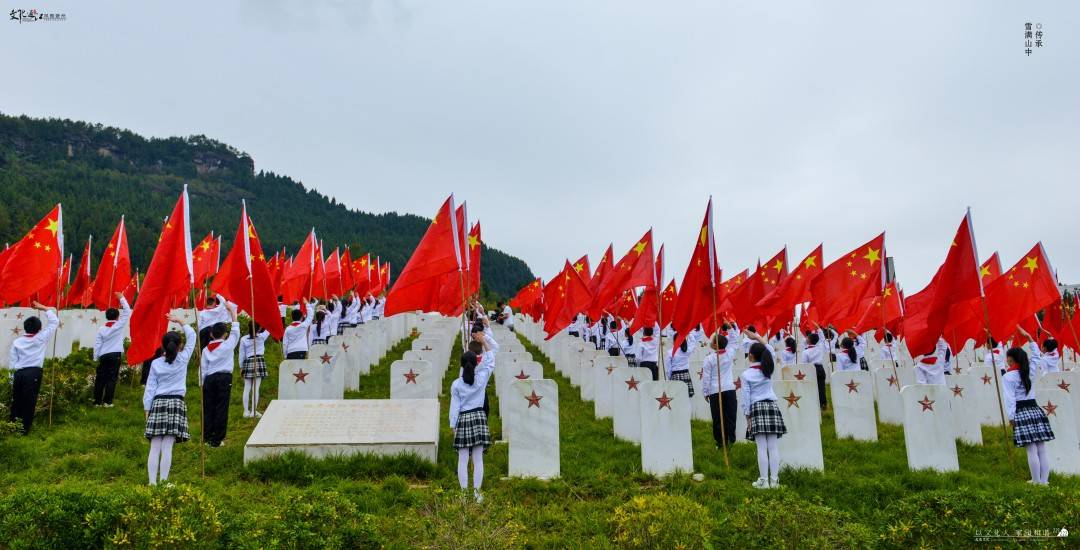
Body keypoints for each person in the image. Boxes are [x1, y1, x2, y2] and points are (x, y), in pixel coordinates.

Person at [143, 316, 196, 485]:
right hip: (176, 403)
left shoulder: (156, 363)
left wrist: (147, 408)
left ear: (162, 345)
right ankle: (164, 482)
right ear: (180, 345)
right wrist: (180, 321)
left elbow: (150, 387)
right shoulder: (183, 358)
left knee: (155, 445)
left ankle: (152, 483)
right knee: (167, 446)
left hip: (157, 403)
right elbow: (193, 335)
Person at [449, 345, 495, 503]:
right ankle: (477, 493)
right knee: (478, 459)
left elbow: (454, 407)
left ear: (461, 365)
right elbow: (490, 362)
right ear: (476, 364)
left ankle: (463, 494)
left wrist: (453, 425)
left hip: (463, 419)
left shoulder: (456, 384)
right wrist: (485, 342)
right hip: (479, 418)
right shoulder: (481, 379)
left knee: (462, 460)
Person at [1003, 347, 1055, 485]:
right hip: (1035, 409)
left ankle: (1036, 481)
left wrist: (1011, 417)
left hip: (1021, 411)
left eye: (1007, 358)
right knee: (1041, 448)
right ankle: (1044, 481)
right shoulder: (1030, 370)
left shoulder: (1008, 376)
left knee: (1031, 449)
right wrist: (1031, 340)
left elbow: (1010, 399)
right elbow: (1036, 356)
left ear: (1011, 359)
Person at [740, 333, 785, 489]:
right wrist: (757, 337)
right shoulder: (768, 369)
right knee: (773, 447)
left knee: (761, 447)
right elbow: (770, 349)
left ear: (750, 356)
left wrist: (747, 417)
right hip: (772, 406)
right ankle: (775, 481)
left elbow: (746, 398)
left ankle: (764, 481)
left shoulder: (746, 374)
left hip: (757, 408)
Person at [8, 301, 59, 434]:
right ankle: (24, 430)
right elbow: (54, 322)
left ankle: (12, 426)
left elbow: (12, 362)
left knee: (17, 400)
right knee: (29, 401)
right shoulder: (41, 338)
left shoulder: (17, 342)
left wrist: (10, 379)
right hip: (33, 373)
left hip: (18, 373)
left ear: (25, 328)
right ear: (39, 328)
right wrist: (44, 308)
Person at [199, 304, 239, 448]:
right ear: (225, 335)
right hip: (223, 378)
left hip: (209, 379)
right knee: (221, 407)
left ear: (211, 334)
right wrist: (233, 313)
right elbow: (236, 330)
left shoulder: (205, 350)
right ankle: (217, 439)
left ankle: (207, 436)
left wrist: (201, 384)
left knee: (208, 407)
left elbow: (202, 369)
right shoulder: (228, 345)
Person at [92, 292, 132, 408]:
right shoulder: (118, 325)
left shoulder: (101, 328)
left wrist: (95, 357)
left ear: (107, 317)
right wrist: (122, 298)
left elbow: (97, 343)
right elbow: (128, 311)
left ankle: (97, 402)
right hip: (115, 355)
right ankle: (107, 402)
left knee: (100, 378)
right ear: (117, 317)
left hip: (103, 355)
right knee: (112, 378)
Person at [702, 333, 736, 449]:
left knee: (717, 417)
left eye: (712, 341)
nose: (710, 342)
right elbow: (734, 338)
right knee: (730, 416)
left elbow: (706, 377)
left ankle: (721, 442)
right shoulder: (730, 353)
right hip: (729, 390)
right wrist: (730, 327)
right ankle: (731, 439)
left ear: (716, 345)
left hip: (715, 391)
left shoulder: (709, 359)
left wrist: (706, 392)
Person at [239, 320, 270, 418]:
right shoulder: (262, 337)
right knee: (255, 388)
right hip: (259, 360)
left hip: (248, 361)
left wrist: (241, 367)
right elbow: (269, 327)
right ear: (259, 328)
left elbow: (241, 355)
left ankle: (245, 412)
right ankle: (253, 411)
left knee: (247, 387)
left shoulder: (243, 339)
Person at [802, 329, 828, 410]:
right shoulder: (820, 347)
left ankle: (813, 404)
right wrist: (819, 329)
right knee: (821, 387)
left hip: (810, 369)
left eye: (807, 338)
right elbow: (823, 338)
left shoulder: (805, 352)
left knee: (811, 386)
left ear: (809, 340)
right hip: (820, 368)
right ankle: (823, 404)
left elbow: (804, 364)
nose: (806, 338)